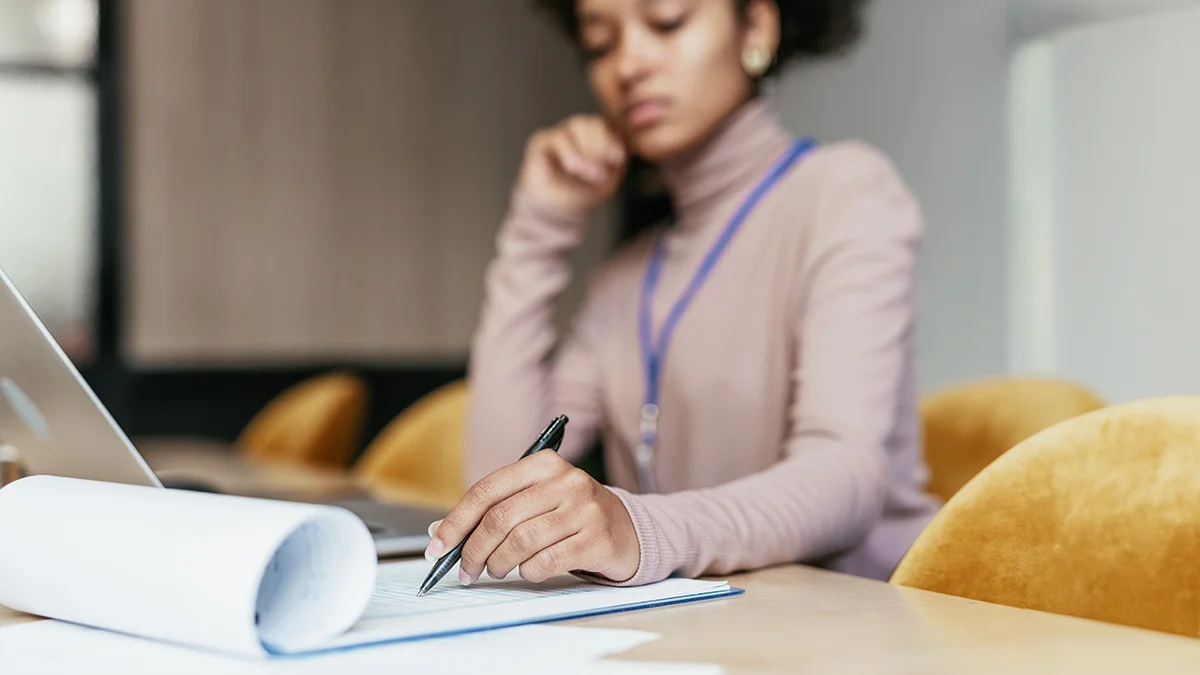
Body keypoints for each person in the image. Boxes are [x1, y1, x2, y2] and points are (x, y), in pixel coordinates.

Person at [425, 0, 940, 588]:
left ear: (757, 28)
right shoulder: (625, 276)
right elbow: (497, 490)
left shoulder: (846, 193)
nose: (628, 64)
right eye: (601, 43)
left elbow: (845, 475)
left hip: (859, 624)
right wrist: (537, 229)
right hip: (695, 629)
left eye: (667, 21)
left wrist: (638, 529)